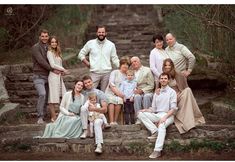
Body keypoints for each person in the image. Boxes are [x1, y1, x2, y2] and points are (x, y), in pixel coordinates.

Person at [137, 72, 177, 159]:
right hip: (158, 114)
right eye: (162, 78)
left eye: (165, 78)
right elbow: (154, 109)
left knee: (162, 125)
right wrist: (146, 110)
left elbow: (173, 109)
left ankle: (157, 150)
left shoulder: (172, 92)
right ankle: (154, 131)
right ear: (159, 80)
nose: (163, 80)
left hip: (168, 115)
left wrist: (164, 117)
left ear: (168, 80)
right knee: (140, 114)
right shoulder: (157, 92)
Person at [162, 58, 205, 134]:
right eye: (166, 65)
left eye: (169, 65)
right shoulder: (163, 75)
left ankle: (189, 121)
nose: (167, 67)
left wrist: (180, 92)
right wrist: (158, 90)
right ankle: (187, 121)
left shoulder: (178, 74)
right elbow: (160, 86)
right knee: (187, 93)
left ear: (172, 65)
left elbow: (185, 86)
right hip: (169, 98)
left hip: (180, 95)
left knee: (188, 91)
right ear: (164, 66)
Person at [78, 25, 120, 92]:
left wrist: (121, 66)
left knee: (104, 94)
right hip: (94, 72)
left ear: (106, 33)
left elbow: (114, 58)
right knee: (90, 92)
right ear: (97, 33)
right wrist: (88, 64)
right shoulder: (90, 43)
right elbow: (81, 54)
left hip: (107, 73)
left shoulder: (111, 45)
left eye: (103, 32)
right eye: (99, 32)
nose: (101, 34)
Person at [32, 29, 61, 124]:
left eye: (46, 36)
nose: (44, 38)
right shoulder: (35, 47)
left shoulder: (49, 48)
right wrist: (53, 69)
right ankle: (40, 117)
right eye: (42, 36)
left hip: (48, 76)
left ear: (48, 37)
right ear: (39, 37)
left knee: (48, 97)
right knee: (42, 94)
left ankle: (45, 115)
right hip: (38, 76)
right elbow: (41, 61)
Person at [80, 75, 108, 154]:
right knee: (83, 108)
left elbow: (105, 109)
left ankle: (99, 145)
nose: (88, 84)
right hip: (88, 118)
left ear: (92, 81)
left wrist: (94, 109)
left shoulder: (99, 93)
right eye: (85, 83)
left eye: (89, 82)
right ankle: (85, 130)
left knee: (97, 122)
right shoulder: (83, 94)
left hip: (98, 116)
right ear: (84, 85)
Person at [47, 36, 69, 122]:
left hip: (58, 76)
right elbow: (52, 65)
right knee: (52, 97)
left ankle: (62, 115)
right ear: (50, 43)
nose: (54, 43)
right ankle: (53, 117)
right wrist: (63, 69)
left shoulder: (57, 52)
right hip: (52, 77)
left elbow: (59, 65)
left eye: (55, 42)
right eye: (52, 42)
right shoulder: (49, 52)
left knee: (64, 95)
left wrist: (62, 71)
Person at [105, 57, 130, 125]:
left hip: (120, 94)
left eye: (127, 64)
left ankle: (115, 121)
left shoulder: (127, 76)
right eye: (123, 64)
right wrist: (119, 94)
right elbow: (111, 84)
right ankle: (111, 121)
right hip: (111, 92)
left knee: (119, 100)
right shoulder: (115, 72)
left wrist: (122, 95)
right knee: (111, 100)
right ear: (120, 65)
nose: (125, 66)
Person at [130, 56, 154, 123]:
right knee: (137, 97)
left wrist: (142, 90)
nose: (134, 63)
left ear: (139, 61)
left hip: (147, 91)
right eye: (132, 62)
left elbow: (151, 85)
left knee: (147, 96)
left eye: (135, 61)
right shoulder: (131, 72)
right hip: (136, 92)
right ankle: (139, 118)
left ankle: (147, 117)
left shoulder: (147, 70)